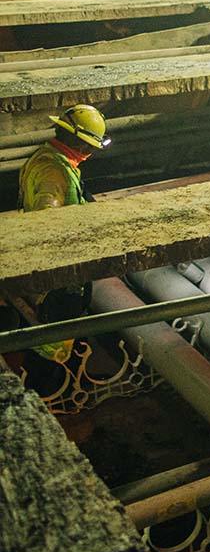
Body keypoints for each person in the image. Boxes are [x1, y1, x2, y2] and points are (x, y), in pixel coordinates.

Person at [15, 104, 111, 363]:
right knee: (56, 332)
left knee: (63, 329)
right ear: (80, 144)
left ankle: (59, 372)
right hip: (59, 271)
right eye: (90, 146)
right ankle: (51, 381)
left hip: (56, 267)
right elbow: (48, 222)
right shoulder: (53, 172)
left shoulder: (49, 158)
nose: (90, 152)